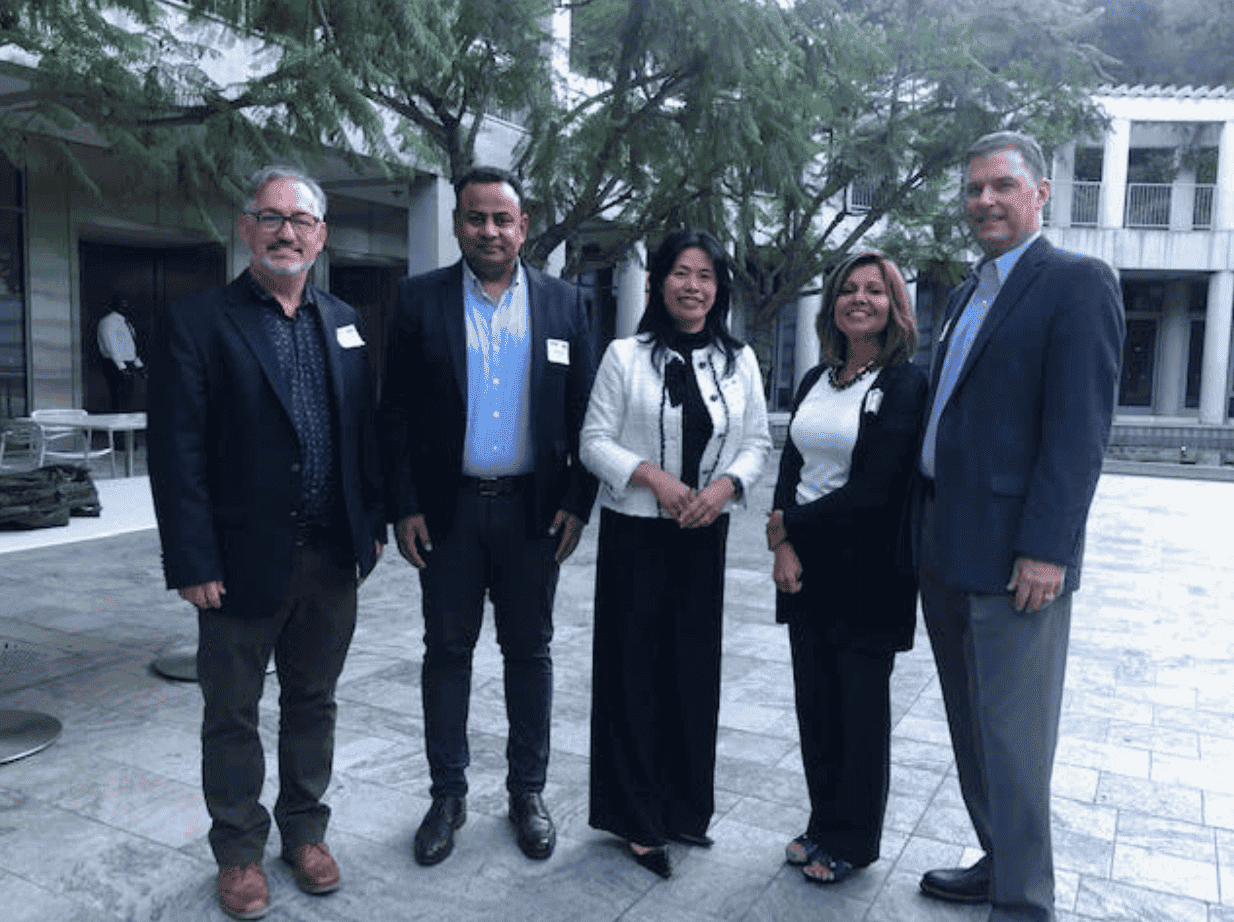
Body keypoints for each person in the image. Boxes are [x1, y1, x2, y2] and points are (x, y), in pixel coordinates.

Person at [148, 166, 386, 921]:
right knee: (233, 714)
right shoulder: (199, 322)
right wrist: (191, 559)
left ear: (322, 235)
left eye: (302, 219)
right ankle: (240, 852)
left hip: (329, 558)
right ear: (245, 228)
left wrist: (369, 527)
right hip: (238, 563)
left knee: (314, 703)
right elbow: (176, 451)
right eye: (271, 216)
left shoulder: (345, 321)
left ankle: (305, 834)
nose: (287, 231)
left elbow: (365, 439)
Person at [914, 131, 1124, 921]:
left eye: (1002, 185)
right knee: (970, 725)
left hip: (1015, 558)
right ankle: (997, 860)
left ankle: (1025, 901)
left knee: (1014, 735)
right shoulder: (969, 292)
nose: (985, 202)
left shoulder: (1076, 283)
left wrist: (1048, 549)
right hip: (941, 538)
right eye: (973, 189)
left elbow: (1078, 435)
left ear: (1041, 193)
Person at [379, 166, 598, 867]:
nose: (490, 231)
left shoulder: (566, 304)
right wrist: (404, 504)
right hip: (448, 514)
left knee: (529, 653)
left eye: (503, 219)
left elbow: (587, 412)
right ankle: (448, 795)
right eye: (476, 218)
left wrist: (576, 503)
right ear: (457, 225)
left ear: (524, 226)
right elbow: (396, 416)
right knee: (446, 653)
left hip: (534, 515)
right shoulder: (417, 301)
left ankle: (526, 793)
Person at [580, 229, 771, 879]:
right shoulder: (624, 357)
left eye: (706, 276)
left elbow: (757, 442)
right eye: (681, 273)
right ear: (660, 281)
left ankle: (684, 808)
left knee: (692, 674)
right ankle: (635, 818)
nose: (693, 286)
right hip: (637, 532)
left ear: (719, 289)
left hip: (703, 531)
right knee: (633, 675)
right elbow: (593, 441)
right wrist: (654, 481)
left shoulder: (737, 359)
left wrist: (722, 488)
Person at [765, 251, 927, 886]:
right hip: (807, 568)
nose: (861, 299)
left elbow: (876, 491)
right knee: (816, 706)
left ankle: (852, 841)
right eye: (849, 289)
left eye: (876, 291)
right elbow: (790, 466)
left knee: (858, 712)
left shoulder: (905, 384)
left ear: (895, 307)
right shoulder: (815, 379)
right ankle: (822, 822)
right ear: (833, 302)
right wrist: (783, 545)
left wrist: (789, 527)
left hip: (868, 575)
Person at [97, 297, 144, 410]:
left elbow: (129, 345)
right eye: (122, 304)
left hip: (128, 363)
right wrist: (120, 366)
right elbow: (111, 344)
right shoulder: (109, 322)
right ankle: (118, 426)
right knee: (118, 399)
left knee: (128, 399)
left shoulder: (125, 322)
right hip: (115, 364)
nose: (125, 307)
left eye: (127, 304)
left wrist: (138, 364)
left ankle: (126, 425)